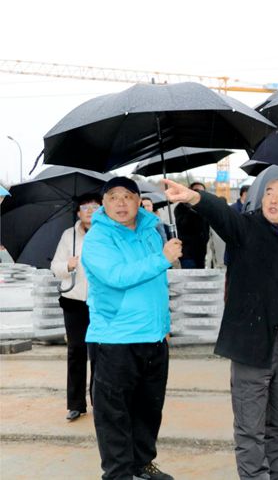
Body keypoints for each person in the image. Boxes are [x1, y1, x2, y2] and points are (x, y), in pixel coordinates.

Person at [164, 176, 278, 480]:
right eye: (268, 193)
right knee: (250, 426)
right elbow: (222, 214)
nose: (272, 199)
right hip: (251, 346)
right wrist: (194, 198)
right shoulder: (246, 228)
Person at [81, 176, 182, 480]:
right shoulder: (98, 238)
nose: (121, 203)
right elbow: (116, 276)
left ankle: (142, 463)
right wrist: (162, 258)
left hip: (153, 337)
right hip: (115, 339)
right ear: (104, 204)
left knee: (149, 410)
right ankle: (118, 473)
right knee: (114, 415)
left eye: (127, 196)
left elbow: (157, 284)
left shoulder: (151, 231)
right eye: (113, 197)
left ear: (139, 201)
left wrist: (164, 325)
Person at [51, 192, 101, 422]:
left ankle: (99, 400)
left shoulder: (107, 234)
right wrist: (68, 266)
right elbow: (55, 267)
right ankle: (76, 404)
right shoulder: (68, 236)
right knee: (76, 351)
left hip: (101, 301)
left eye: (94, 206)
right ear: (78, 213)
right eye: (85, 207)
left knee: (100, 352)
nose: (89, 211)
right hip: (74, 300)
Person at [174, 181, 210, 268]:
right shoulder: (181, 207)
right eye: (196, 191)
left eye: (202, 192)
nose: (199, 193)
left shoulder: (205, 208)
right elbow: (182, 226)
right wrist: (192, 209)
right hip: (187, 253)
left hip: (201, 252)